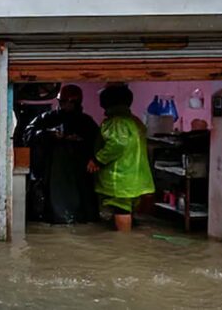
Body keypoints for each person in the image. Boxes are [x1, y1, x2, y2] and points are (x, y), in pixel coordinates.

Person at [23, 84, 100, 224]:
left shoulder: (86, 122)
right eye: (64, 101)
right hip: (51, 170)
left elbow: (98, 143)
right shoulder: (46, 118)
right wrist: (47, 134)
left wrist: (93, 158)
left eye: (72, 102)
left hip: (79, 171)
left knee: (82, 207)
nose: (67, 105)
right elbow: (28, 135)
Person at [90, 84, 155, 232]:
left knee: (121, 209)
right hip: (138, 177)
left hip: (120, 177)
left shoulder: (115, 122)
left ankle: (123, 243)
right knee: (127, 209)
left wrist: (98, 159)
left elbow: (117, 143)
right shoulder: (135, 121)